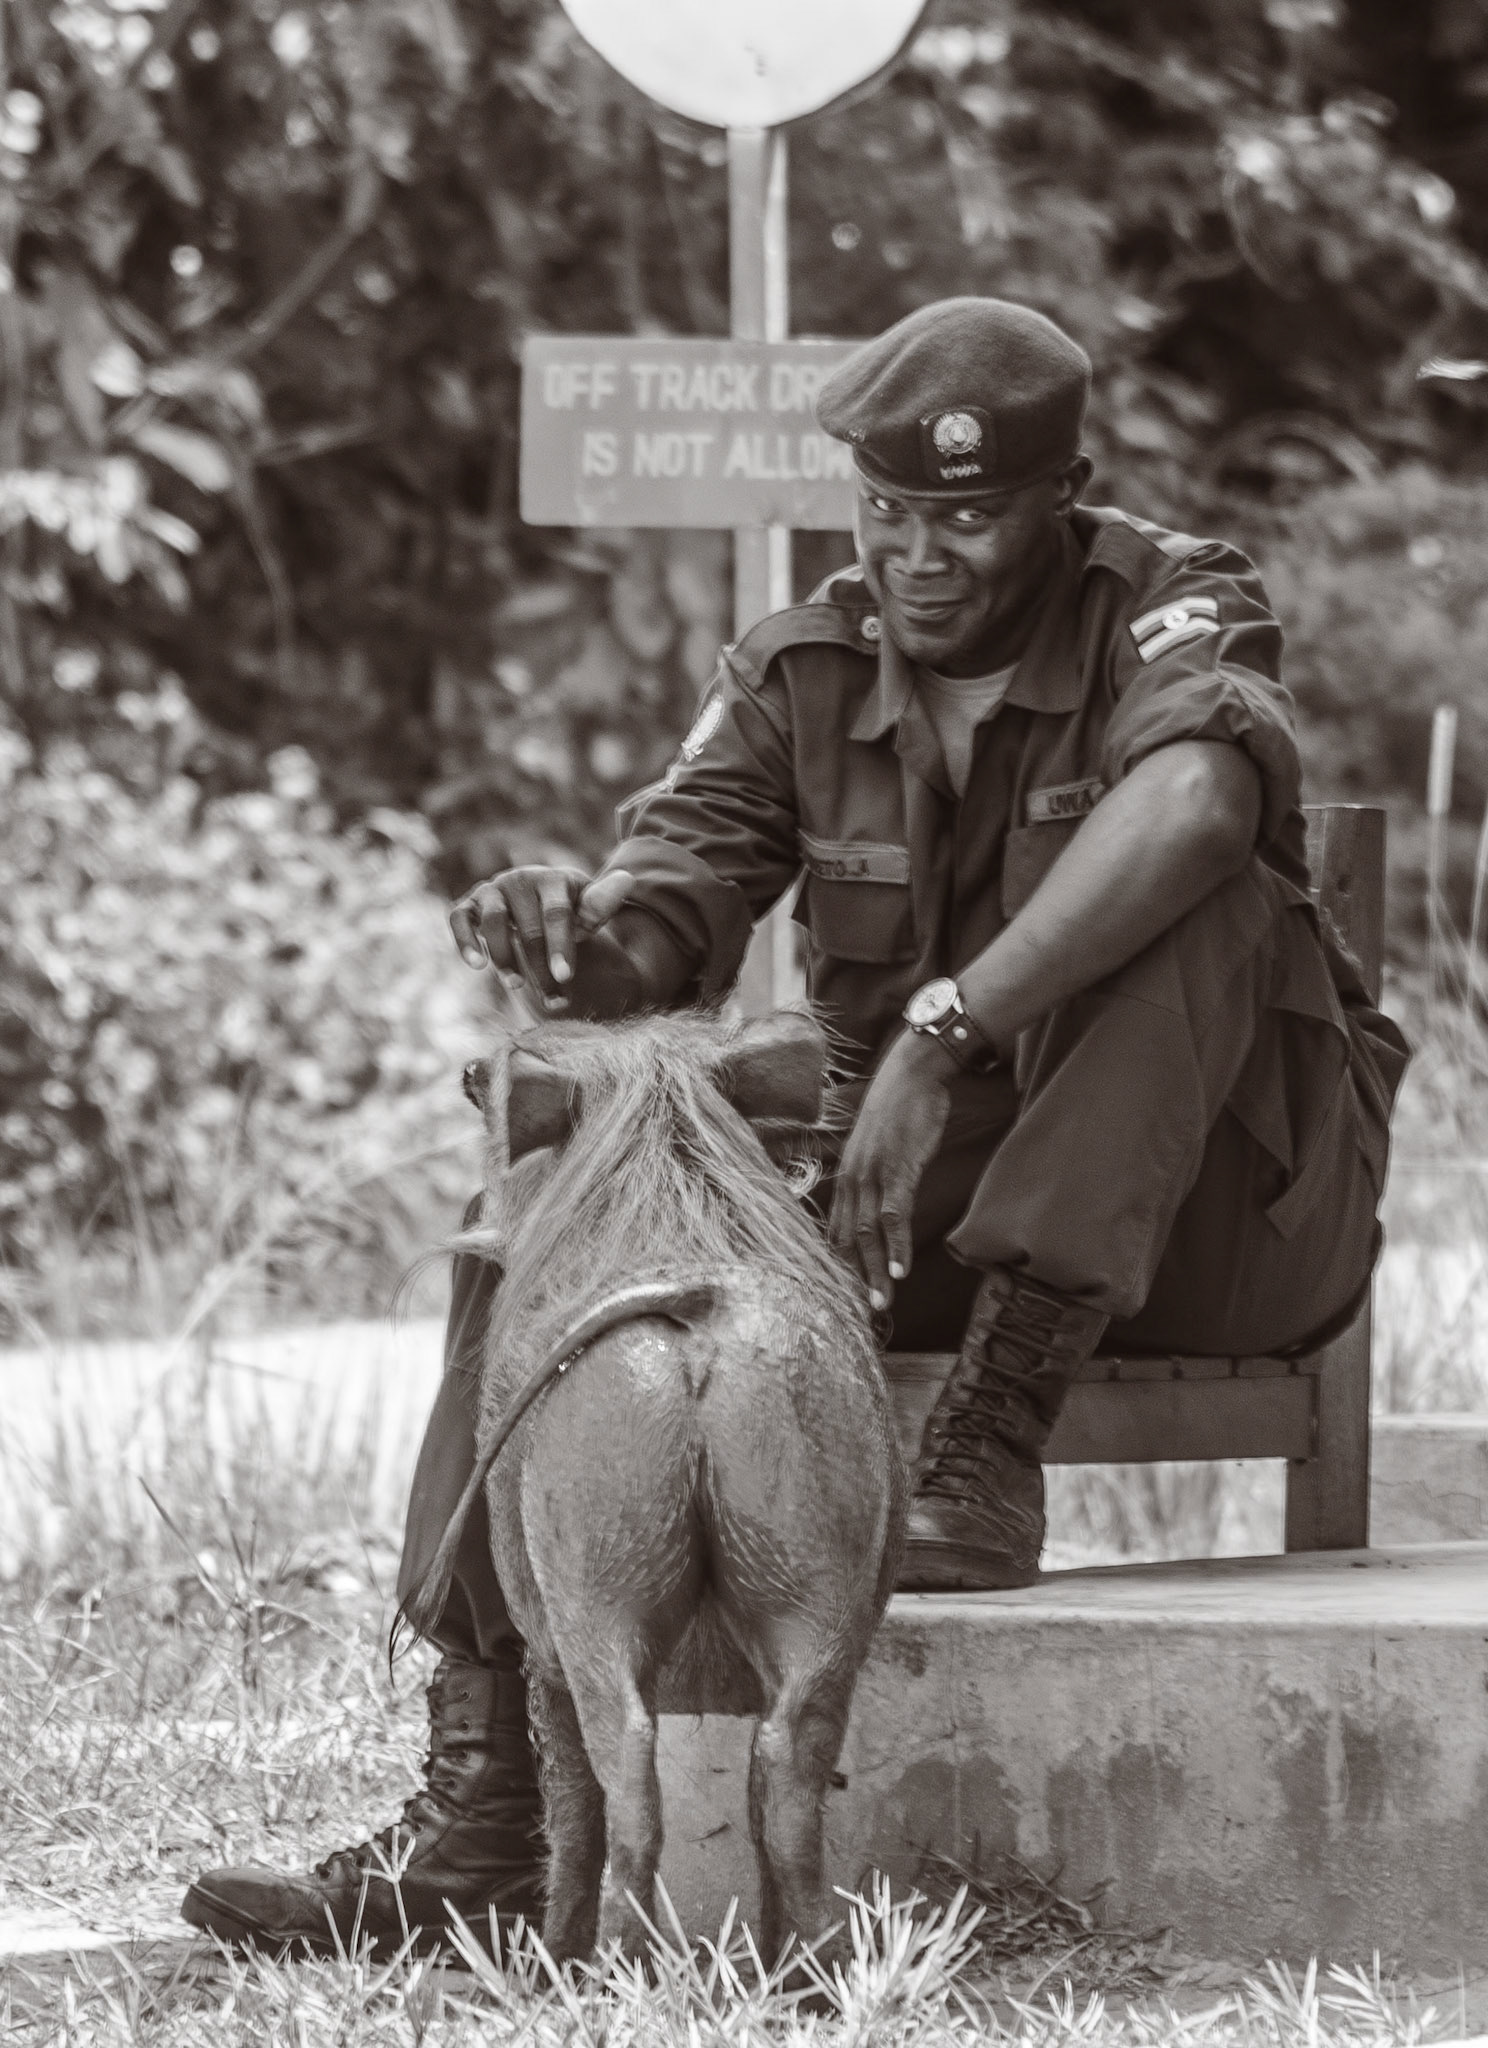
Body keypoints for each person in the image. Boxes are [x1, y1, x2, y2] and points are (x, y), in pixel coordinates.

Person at [182, 296, 1408, 1956]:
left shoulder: (1173, 603)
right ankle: (485, 1803)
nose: (918, 556)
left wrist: (944, 1026)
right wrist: (573, 936)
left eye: (968, 517)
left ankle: (991, 1437)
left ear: (1066, 496)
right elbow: (667, 911)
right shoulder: (801, 667)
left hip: (1223, 1227)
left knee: (1210, 891)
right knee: (558, 1181)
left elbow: (1199, 798)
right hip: (906, 1220)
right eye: (887, 511)